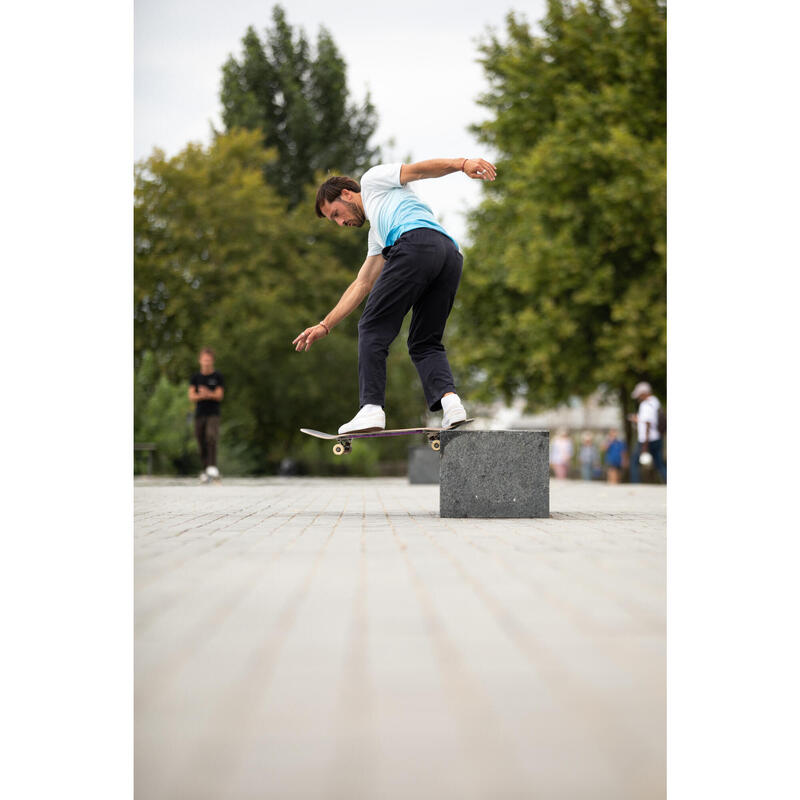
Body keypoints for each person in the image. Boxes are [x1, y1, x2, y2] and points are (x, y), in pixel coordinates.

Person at [292, 157, 496, 434]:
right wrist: (325, 325)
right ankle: (452, 405)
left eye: (336, 214)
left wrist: (462, 164)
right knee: (425, 342)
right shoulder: (378, 233)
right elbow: (361, 284)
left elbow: (418, 171)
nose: (341, 223)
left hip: (415, 245)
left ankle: (371, 409)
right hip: (449, 254)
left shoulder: (372, 181)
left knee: (372, 326)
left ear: (347, 194)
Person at [189, 348, 225, 482]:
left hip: (213, 414)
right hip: (199, 413)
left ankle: (212, 466)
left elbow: (219, 395)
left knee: (211, 437)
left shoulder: (218, 377)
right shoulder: (195, 378)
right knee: (200, 440)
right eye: (204, 360)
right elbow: (192, 396)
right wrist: (202, 395)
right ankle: (205, 470)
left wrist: (207, 394)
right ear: (200, 361)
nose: (206, 362)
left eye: (209, 360)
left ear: (212, 361)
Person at [628, 381, 666, 483]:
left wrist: (645, 444)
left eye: (639, 395)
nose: (638, 398)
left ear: (644, 393)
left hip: (646, 438)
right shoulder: (655, 402)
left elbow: (648, 423)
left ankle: (635, 483)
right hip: (657, 437)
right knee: (659, 463)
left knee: (634, 461)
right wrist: (638, 419)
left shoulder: (645, 405)